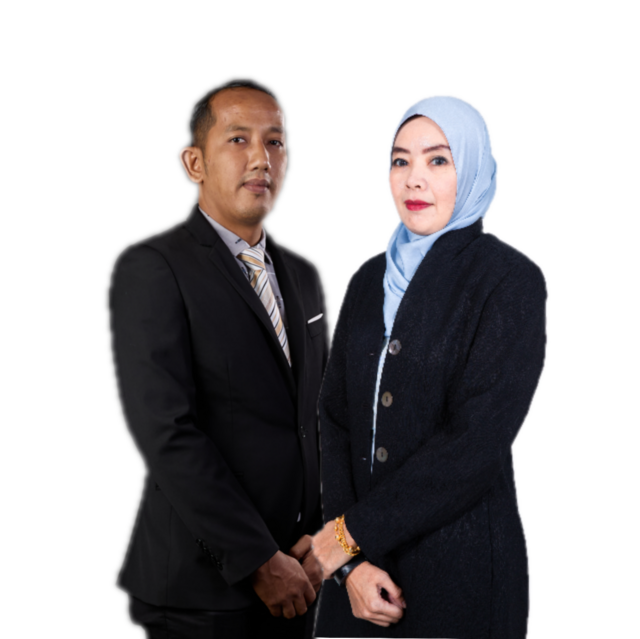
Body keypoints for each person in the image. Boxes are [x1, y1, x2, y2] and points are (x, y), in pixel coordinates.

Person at [309, 93, 549, 637]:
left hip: (460, 574)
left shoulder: (509, 280)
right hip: (358, 579)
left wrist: (349, 535)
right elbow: (336, 418)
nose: (414, 179)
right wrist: (349, 564)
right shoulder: (365, 280)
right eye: (401, 161)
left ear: (474, 168)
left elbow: (476, 440)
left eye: (438, 159)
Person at [105, 75, 330, 639]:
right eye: (238, 139)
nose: (261, 159)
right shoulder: (152, 267)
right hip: (202, 590)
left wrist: (325, 538)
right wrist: (259, 560)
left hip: (303, 576)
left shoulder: (304, 275)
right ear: (194, 163)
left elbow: (318, 417)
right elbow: (165, 432)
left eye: (275, 141)